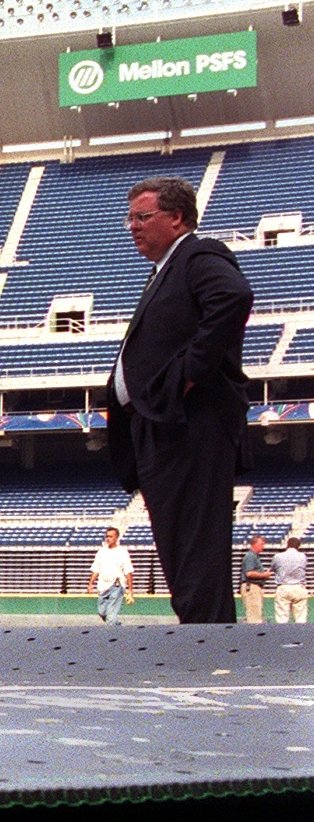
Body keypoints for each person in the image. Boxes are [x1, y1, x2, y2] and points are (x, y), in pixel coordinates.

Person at [102, 175, 254, 624]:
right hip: (161, 426)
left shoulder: (198, 255)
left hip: (191, 424)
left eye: (143, 216)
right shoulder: (165, 269)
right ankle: (202, 638)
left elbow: (233, 297)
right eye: (130, 217)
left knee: (195, 548)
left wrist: (187, 375)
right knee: (179, 548)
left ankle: (209, 648)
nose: (133, 226)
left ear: (177, 217)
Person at [89, 526, 135, 624]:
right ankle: (118, 627)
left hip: (116, 585)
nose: (108, 538)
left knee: (111, 615)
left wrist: (130, 589)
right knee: (102, 612)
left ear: (116, 538)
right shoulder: (101, 552)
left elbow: (128, 570)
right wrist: (91, 583)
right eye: (107, 536)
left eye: (111, 536)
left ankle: (110, 635)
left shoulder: (122, 552)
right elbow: (96, 568)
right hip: (103, 586)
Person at [274, 536, 308, 623]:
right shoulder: (302, 556)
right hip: (298, 587)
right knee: (300, 618)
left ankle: (282, 635)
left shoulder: (278, 556)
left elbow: (274, 568)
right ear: (298, 546)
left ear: (287, 545)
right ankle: (301, 635)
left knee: (282, 618)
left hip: (283, 586)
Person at [242, 534, 272, 623]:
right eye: (261, 544)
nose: (263, 547)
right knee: (254, 618)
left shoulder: (254, 556)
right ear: (254, 544)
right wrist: (264, 575)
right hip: (252, 587)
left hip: (255, 587)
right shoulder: (250, 556)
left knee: (257, 614)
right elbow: (249, 573)